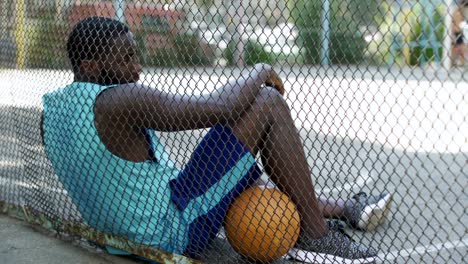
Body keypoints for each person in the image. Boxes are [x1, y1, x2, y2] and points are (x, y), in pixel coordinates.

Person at [41, 17, 392, 263]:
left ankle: (347, 208)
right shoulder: (118, 101)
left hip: (120, 236)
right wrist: (260, 70)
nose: (136, 68)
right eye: (125, 58)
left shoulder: (53, 113)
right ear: (89, 66)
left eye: (136, 55)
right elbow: (224, 107)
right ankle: (317, 236)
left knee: (236, 170)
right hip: (171, 233)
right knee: (267, 104)